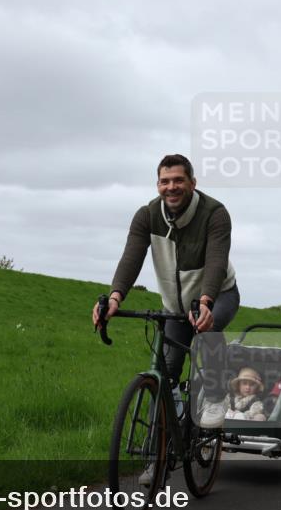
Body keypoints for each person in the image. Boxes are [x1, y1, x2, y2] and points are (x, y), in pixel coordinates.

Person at [92, 154, 239, 429]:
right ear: (158, 185)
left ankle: (215, 396)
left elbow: (216, 262)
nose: (171, 187)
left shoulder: (214, 213)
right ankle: (165, 439)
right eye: (164, 181)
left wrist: (205, 301)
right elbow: (131, 258)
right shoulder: (147, 216)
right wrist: (114, 297)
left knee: (208, 331)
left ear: (192, 183)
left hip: (219, 295)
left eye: (178, 180)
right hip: (175, 305)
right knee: (167, 370)